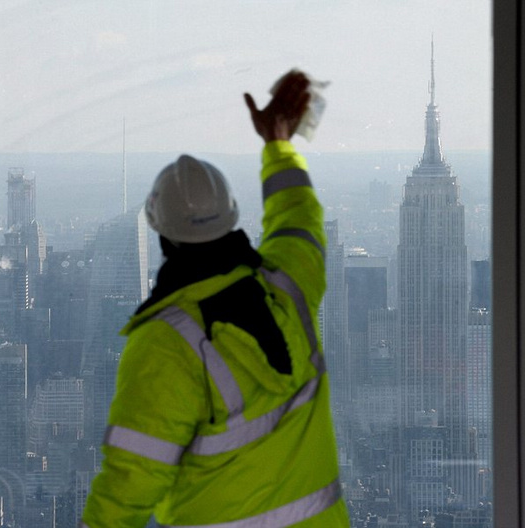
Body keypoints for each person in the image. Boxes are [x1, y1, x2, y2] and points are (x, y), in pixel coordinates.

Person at [80, 71, 350, 527]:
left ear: (160, 230)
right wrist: (278, 144)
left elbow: (128, 485)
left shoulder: (164, 345)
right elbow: (298, 217)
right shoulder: (289, 289)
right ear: (230, 218)